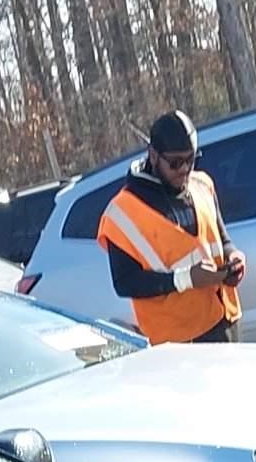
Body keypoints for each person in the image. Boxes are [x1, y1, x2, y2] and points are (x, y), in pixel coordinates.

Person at [97, 110, 244, 345]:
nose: (184, 169)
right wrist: (185, 279)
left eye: (191, 159)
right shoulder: (121, 212)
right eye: (175, 163)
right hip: (177, 342)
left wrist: (233, 256)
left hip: (223, 320)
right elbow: (125, 282)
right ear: (153, 156)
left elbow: (222, 239)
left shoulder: (202, 184)